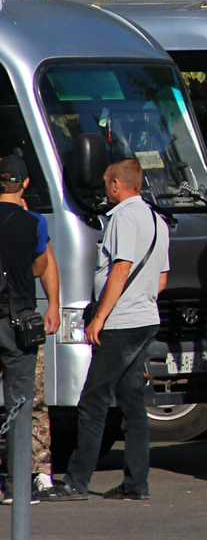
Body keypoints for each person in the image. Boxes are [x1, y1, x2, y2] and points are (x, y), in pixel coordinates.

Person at [39, 159, 168, 502]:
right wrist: (142, 300)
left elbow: (120, 269)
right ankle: (136, 483)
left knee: (93, 401)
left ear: (115, 184)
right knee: (132, 402)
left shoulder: (124, 217)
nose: (104, 190)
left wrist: (100, 318)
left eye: (106, 183)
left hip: (121, 323)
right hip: (145, 318)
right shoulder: (156, 218)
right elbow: (162, 277)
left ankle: (76, 482)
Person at [0, 155, 57, 505]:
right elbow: (40, 266)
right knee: (20, 405)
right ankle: (19, 486)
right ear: (24, 184)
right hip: (19, 321)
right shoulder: (33, 222)